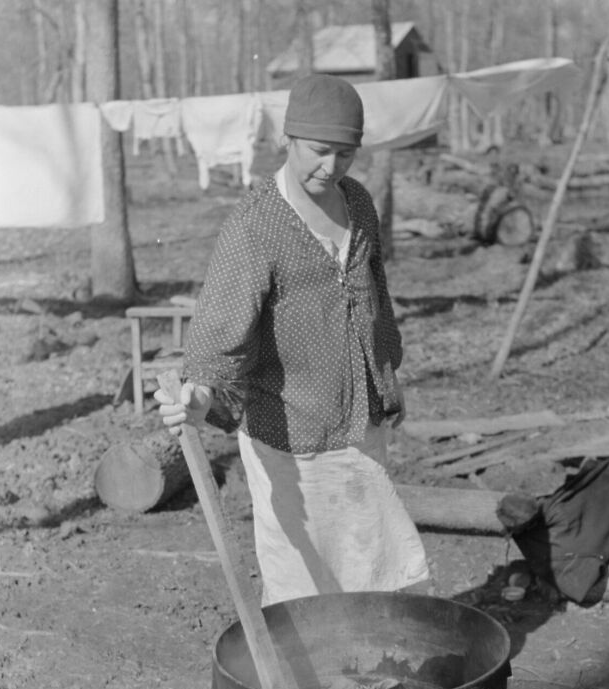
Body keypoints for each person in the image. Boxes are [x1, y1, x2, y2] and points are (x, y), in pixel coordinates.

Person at [156, 73, 429, 605]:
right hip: (291, 436)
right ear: (288, 139)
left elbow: (375, 298)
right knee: (306, 581)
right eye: (320, 151)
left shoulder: (359, 204)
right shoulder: (256, 226)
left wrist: (387, 378)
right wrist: (200, 395)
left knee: (373, 559)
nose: (332, 167)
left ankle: (372, 670)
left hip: (359, 421)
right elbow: (219, 334)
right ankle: (305, 683)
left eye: (346, 154)